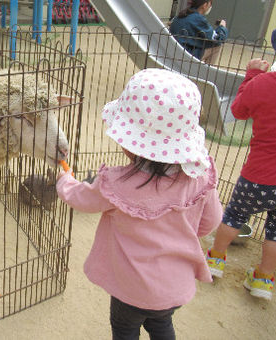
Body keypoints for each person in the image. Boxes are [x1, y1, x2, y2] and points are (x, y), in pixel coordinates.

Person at [56, 68, 223, 339]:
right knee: (161, 324)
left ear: (132, 143)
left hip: (130, 291)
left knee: (125, 329)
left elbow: (80, 198)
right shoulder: (201, 178)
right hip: (172, 289)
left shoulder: (117, 183)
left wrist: (65, 180)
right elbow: (210, 223)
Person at [206, 17, 276, 301]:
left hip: (257, 176)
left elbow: (239, 111)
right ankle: (263, 280)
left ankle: (215, 259)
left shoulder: (264, 84)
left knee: (235, 215)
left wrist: (252, 75)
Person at [169, 0, 228, 64]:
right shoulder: (198, 19)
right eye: (210, 3)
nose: (210, 6)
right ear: (205, 5)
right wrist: (222, 27)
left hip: (172, 51)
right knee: (217, 46)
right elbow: (218, 39)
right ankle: (207, 72)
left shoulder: (181, 15)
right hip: (184, 56)